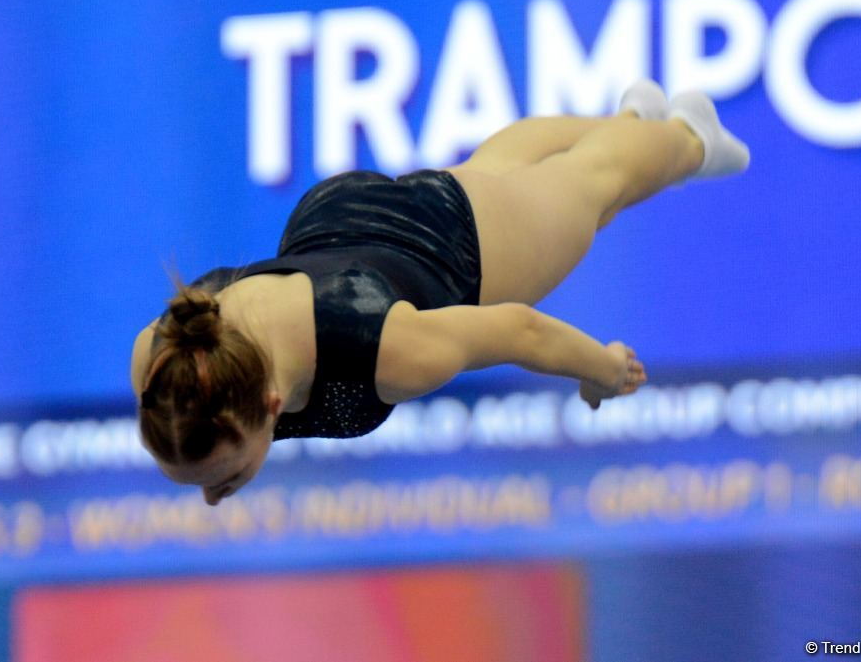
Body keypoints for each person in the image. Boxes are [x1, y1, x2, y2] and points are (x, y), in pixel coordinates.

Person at [131, 80, 749, 506]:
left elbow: (519, 331)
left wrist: (605, 370)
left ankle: (689, 134)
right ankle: (630, 121)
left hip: (448, 244)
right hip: (329, 222)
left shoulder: (385, 352)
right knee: (497, 173)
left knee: (593, 188)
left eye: (227, 477)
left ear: (271, 405)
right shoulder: (163, 368)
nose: (210, 497)